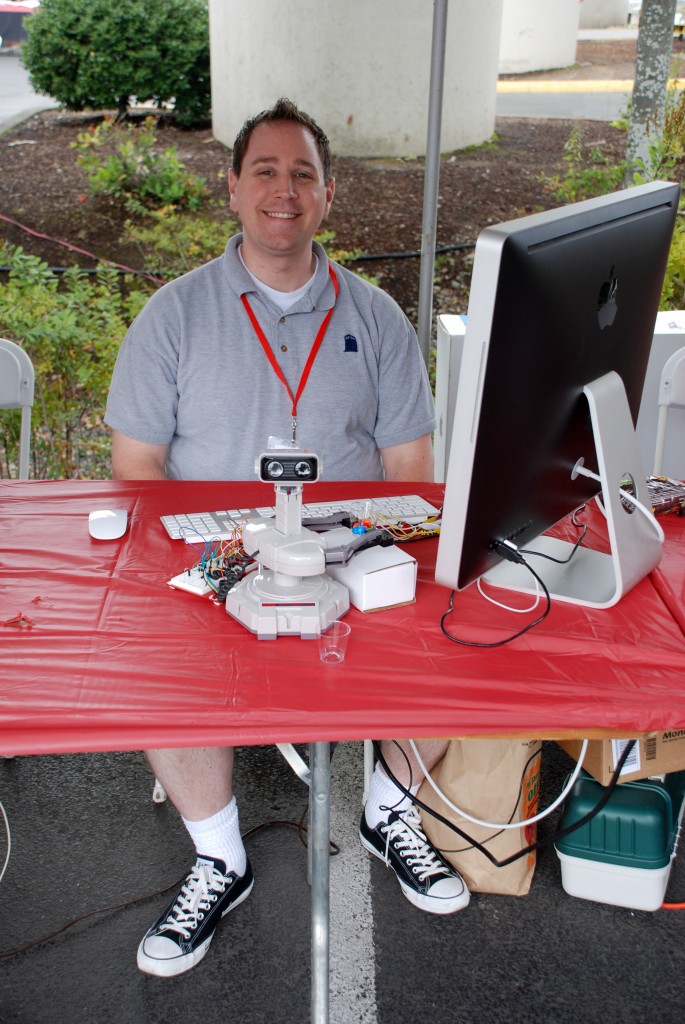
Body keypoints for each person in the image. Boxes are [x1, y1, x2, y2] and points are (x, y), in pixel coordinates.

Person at [105, 97, 469, 979]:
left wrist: (373, 553)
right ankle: (219, 858)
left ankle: (390, 811)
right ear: (231, 188)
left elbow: (409, 472)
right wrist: (214, 562)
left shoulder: (377, 316)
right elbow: (137, 468)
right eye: (264, 170)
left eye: (303, 173)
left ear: (328, 194)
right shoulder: (174, 315)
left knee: (459, 627)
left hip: (346, 543)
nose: (284, 189)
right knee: (159, 651)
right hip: (216, 557)